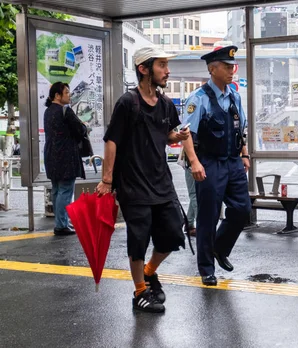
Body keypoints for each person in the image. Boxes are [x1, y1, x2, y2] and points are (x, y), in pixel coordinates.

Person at [96, 46, 190, 313]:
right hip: (133, 184)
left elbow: (167, 133)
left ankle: (150, 271)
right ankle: (140, 292)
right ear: (144, 69)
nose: (167, 71)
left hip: (161, 182)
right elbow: (112, 141)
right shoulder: (128, 102)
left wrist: (177, 138)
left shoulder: (166, 104)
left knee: (173, 232)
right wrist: (107, 180)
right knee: (138, 239)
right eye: (161, 65)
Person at [182, 46, 252, 286]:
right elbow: (187, 134)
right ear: (212, 69)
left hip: (233, 162)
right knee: (208, 217)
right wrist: (194, 163)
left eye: (232, 66)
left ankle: (220, 248)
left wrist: (245, 154)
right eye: (226, 66)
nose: (232, 70)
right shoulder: (198, 98)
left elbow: (239, 127)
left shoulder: (234, 95)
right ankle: (206, 269)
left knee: (242, 210)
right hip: (209, 163)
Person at [43, 82, 88, 236]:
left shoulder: (48, 111)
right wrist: (84, 125)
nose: (69, 95)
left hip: (51, 155)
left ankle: (60, 222)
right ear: (57, 95)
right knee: (66, 190)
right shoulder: (65, 110)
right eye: (67, 92)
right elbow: (80, 129)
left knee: (57, 189)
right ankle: (62, 225)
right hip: (66, 155)